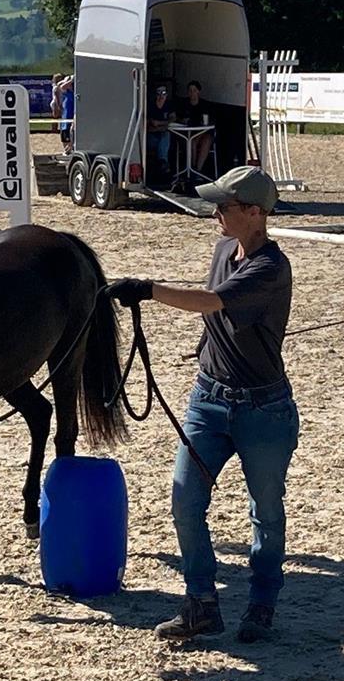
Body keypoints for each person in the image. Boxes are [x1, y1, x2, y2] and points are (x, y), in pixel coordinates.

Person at [106, 165, 298, 644]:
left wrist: (148, 290)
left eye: (225, 206)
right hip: (208, 400)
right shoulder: (221, 250)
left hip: (263, 409)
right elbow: (219, 315)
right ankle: (201, 604)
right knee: (185, 499)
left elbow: (213, 302)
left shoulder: (271, 267)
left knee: (266, 510)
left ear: (255, 213)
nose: (216, 213)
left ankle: (262, 604)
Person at [177, 80, 216, 178]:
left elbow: (209, 122)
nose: (192, 93)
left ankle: (198, 170)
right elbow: (176, 118)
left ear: (198, 91)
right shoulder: (183, 104)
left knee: (207, 140)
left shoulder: (205, 105)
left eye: (194, 90)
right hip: (186, 132)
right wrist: (182, 120)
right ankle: (192, 168)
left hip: (203, 131)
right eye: (190, 90)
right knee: (192, 141)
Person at [146, 84, 175, 182]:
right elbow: (147, 127)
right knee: (163, 138)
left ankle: (162, 164)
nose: (161, 96)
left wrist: (159, 124)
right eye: (159, 93)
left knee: (165, 136)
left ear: (166, 95)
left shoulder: (169, 105)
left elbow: (173, 118)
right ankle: (163, 164)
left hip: (161, 135)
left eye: (163, 93)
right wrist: (162, 127)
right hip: (150, 138)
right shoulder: (150, 106)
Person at [57, 75, 75, 154]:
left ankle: (69, 151)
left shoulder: (73, 93)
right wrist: (71, 79)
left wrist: (72, 80)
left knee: (70, 136)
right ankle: (66, 151)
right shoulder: (66, 92)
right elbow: (60, 86)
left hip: (71, 117)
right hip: (65, 118)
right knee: (64, 137)